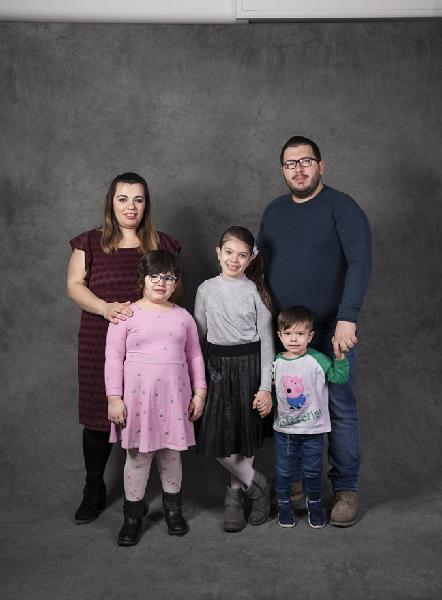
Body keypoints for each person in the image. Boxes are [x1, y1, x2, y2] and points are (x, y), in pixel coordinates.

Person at [257, 136, 372, 527]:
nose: (299, 169)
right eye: (291, 164)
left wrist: (348, 317)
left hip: (329, 329)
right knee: (291, 408)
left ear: (321, 166)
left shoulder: (342, 207)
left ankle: (345, 488)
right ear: (283, 171)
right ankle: (295, 482)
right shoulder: (273, 212)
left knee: (338, 407)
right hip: (287, 333)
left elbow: (360, 261)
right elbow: (260, 270)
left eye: (306, 161)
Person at [67, 172, 181, 525]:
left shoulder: (163, 243)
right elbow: (74, 285)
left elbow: (176, 294)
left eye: (138, 199)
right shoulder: (89, 241)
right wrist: (104, 308)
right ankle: (93, 488)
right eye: (123, 199)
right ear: (111, 202)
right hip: (99, 341)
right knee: (99, 418)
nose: (130, 207)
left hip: (152, 350)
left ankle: (149, 496)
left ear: (146, 205)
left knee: (150, 415)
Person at [105, 250, 206, 545]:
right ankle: (133, 515)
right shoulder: (126, 316)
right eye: (154, 277)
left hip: (174, 401)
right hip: (138, 402)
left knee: (171, 455)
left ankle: (173, 510)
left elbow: (195, 355)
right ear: (142, 279)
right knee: (137, 458)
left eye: (168, 277)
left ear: (175, 284)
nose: (161, 283)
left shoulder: (183, 317)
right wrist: (114, 398)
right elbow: (113, 358)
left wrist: (200, 392)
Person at [194, 226, 274, 532]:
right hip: (216, 369)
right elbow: (198, 339)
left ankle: (234, 499)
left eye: (242, 255)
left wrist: (265, 387)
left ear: (251, 257)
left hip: (250, 368)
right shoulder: (206, 290)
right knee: (218, 441)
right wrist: (199, 381)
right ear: (218, 252)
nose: (234, 259)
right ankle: (259, 485)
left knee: (243, 439)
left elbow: (267, 342)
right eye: (229, 252)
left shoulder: (255, 291)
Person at [273, 305, 349, 529]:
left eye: (300, 333)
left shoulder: (317, 359)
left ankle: (314, 506)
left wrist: (340, 358)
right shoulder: (276, 362)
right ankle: (284, 506)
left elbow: (338, 378)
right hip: (285, 431)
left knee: (313, 470)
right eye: (288, 334)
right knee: (284, 471)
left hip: (313, 430)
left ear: (310, 336)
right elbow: (274, 394)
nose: (293, 339)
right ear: (279, 336)